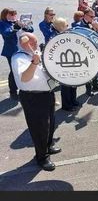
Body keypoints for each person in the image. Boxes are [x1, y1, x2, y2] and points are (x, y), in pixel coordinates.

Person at [11, 32, 61, 171]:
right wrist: (34, 62)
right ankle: (41, 157)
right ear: (23, 44)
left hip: (46, 94)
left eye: (35, 42)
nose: (35, 45)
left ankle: (48, 146)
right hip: (32, 97)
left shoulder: (35, 53)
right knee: (39, 128)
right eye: (31, 43)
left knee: (50, 123)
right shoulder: (19, 58)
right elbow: (25, 78)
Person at [0, 8, 34, 101]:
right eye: (11, 14)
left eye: (14, 14)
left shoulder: (17, 21)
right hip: (11, 50)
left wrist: (25, 26)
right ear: (5, 15)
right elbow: (7, 34)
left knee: (24, 69)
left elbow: (31, 30)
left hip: (23, 49)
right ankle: (13, 92)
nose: (13, 16)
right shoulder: (2, 23)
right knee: (14, 71)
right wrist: (16, 28)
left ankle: (24, 88)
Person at [50, 18, 81, 112]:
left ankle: (73, 100)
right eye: (66, 25)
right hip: (63, 65)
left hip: (70, 63)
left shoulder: (64, 34)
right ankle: (67, 105)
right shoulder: (54, 37)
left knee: (73, 84)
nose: (68, 27)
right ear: (61, 27)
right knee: (66, 87)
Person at [76, 8, 98, 96]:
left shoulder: (93, 22)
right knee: (88, 70)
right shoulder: (78, 24)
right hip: (85, 50)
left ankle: (96, 85)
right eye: (91, 16)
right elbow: (82, 36)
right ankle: (88, 90)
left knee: (95, 68)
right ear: (85, 15)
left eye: (94, 16)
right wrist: (92, 28)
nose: (93, 18)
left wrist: (97, 29)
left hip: (94, 48)